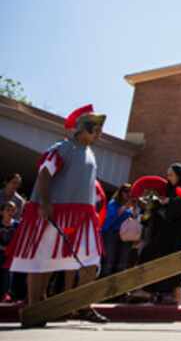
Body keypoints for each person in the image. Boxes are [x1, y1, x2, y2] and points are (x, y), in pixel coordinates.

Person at [5, 104, 108, 325]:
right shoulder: (61, 148)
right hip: (54, 211)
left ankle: (82, 305)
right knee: (42, 260)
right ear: (84, 128)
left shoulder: (90, 154)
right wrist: (44, 203)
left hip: (82, 216)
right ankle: (35, 307)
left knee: (91, 260)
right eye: (96, 129)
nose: (99, 134)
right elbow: (44, 173)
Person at [141, 163, 181, 304]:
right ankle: (149, 292)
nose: (168, 177)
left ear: (179, 175)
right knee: (150, 255)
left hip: (177, 237)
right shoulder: (171, 190)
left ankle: (167, 295)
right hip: (165, 235)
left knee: (170, 265)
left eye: (171, 175)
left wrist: (167, 202)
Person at [100, 183, 134, 278]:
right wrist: (124, 208)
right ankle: (104, 282)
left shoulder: (131, 206)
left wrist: (134, 211)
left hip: (125, 236)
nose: (128, 194)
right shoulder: (113, 203)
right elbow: (110, 219)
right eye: (125, 191)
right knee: (109, 260)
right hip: (111, 234)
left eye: (130, 192)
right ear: (120, 192)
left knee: (122, 261)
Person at [0, 201, 20, 302]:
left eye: (12, 210)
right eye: (8, 210)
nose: (10, 212)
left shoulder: (17, 225)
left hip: (11, 255)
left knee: (8, 275)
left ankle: (6, 294)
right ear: (2, 212)